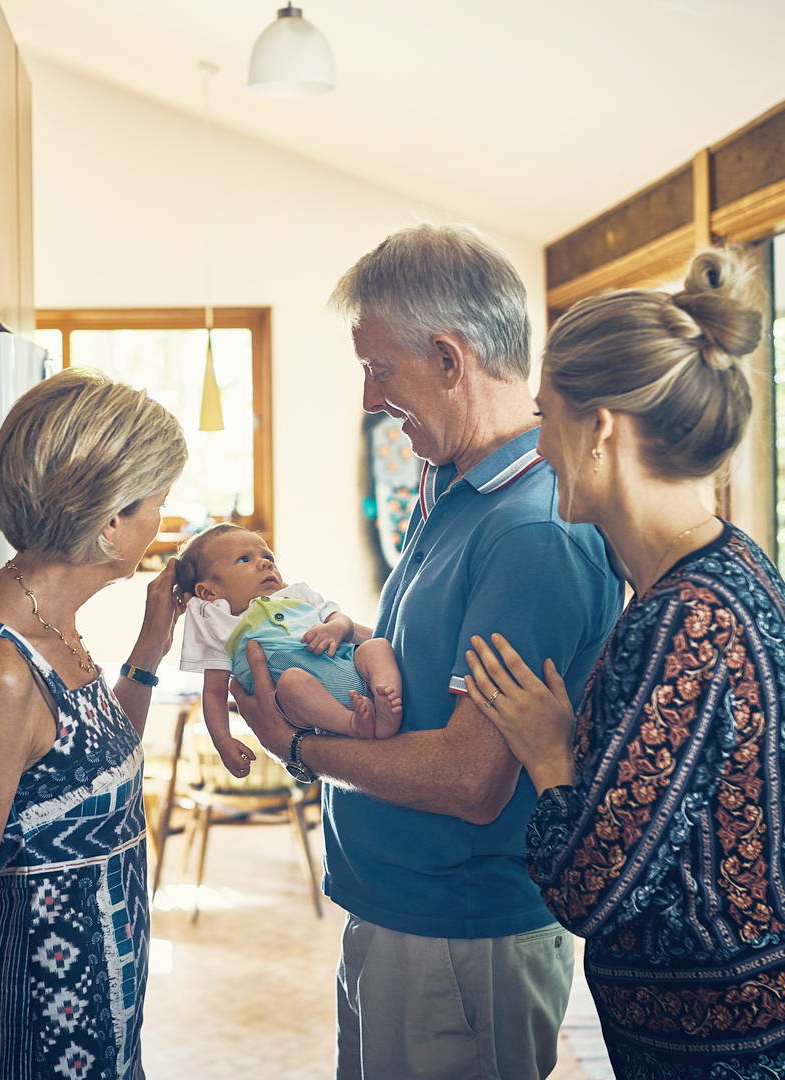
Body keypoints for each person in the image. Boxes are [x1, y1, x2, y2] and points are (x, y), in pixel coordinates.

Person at [231, 224, 623, 1080]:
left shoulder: (531, 533)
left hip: (459, 933)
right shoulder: (456, 485)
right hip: (408, 915)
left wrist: (295, 746)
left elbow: (471, 780)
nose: (372, 400)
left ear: (451, 359)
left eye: (379, 369)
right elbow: (440, 682)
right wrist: (363, 641)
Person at [464, 248, 783, 1080]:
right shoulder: (724, 571)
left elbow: (589, 888)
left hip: (716, 1045)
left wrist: (546, 748)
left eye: (545, 415)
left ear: (599, 427)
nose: (537, 441)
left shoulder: (686, 620)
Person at [0, 368, 188, 1080]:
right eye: (157, 504)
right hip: (42, 1039)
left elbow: (97, 770)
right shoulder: (4, 669)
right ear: (109, 522)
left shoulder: (56, 629)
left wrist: (151, 646)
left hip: (104, 1022)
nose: (162, 522)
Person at [176, 524, 402, 776]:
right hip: (307, 701)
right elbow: (214, 691)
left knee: (376, 647)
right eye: (244, 559)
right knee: (292, 681)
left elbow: (341, 619)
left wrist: (336, 628)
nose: (265, 563)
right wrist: (222, 740)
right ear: (209, 592)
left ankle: (385, 699)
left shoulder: (297, 593)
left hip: (351, 668)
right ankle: (352, 724)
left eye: (267, 557)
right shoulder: (219, 624)